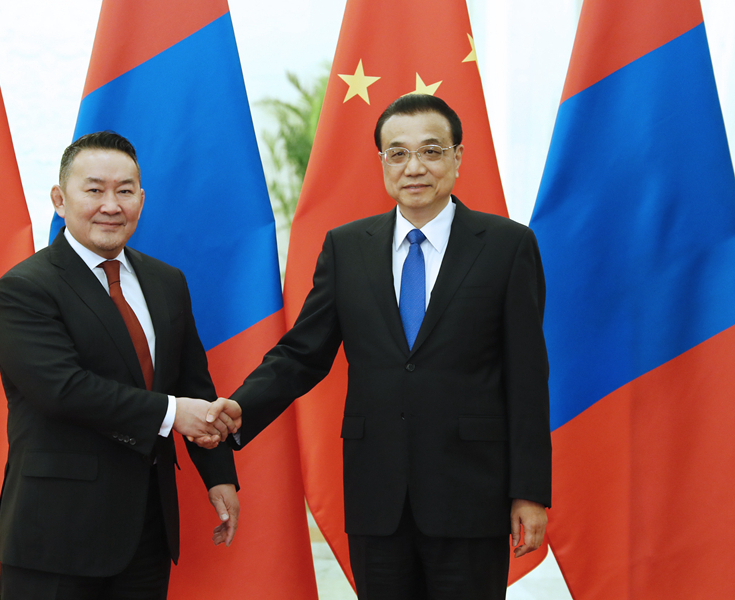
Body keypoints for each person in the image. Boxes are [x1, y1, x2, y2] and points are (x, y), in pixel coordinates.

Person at [210, 95, 551, 599]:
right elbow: (303, 352)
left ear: (457, 157)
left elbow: (527, 377)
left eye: (431, 151)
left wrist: (529, 492)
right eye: (398, 153)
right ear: (382, 163)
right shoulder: (347, 248)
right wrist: (241, 407)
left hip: (471, 495)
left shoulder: (507, 246)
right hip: (377, 495)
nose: (414, 167)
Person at [0, 131, 239, 600]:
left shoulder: (167, 281)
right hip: (56, 533)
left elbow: (193, 383)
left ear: (141, 200)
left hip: (147, 529)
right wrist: (171, 413)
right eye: (94, 190)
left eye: (125, 191)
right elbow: (63, 390)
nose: (111, 205)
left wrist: (218, 473)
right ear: (60, 200)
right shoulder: (24, 289)